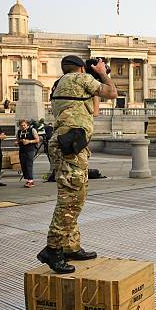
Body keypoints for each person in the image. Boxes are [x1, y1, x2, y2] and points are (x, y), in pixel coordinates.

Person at [37, 55, 117, 273]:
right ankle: (52, 249)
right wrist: (101, 73)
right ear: (82, 68)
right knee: (71, 199)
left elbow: (95, 110)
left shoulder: (60, 83)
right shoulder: (79, 79)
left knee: (73, 195)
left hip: (68, 145)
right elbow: (112, 93)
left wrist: (94, 83)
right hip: (70, 147)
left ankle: (70, 246)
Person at [15, 119, 40, 187]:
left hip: (30, 149)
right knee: (23, 164)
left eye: (24, 125)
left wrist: (29, 141)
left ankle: (31, 180)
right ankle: (28, 179)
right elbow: (17, 140)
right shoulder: (19, 132)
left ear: (27, 125)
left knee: (29, 164)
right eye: (21, 126)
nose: (23, 127)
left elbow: (37, 139)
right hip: (22, 150)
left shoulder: (32, 130)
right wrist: (17, 143)